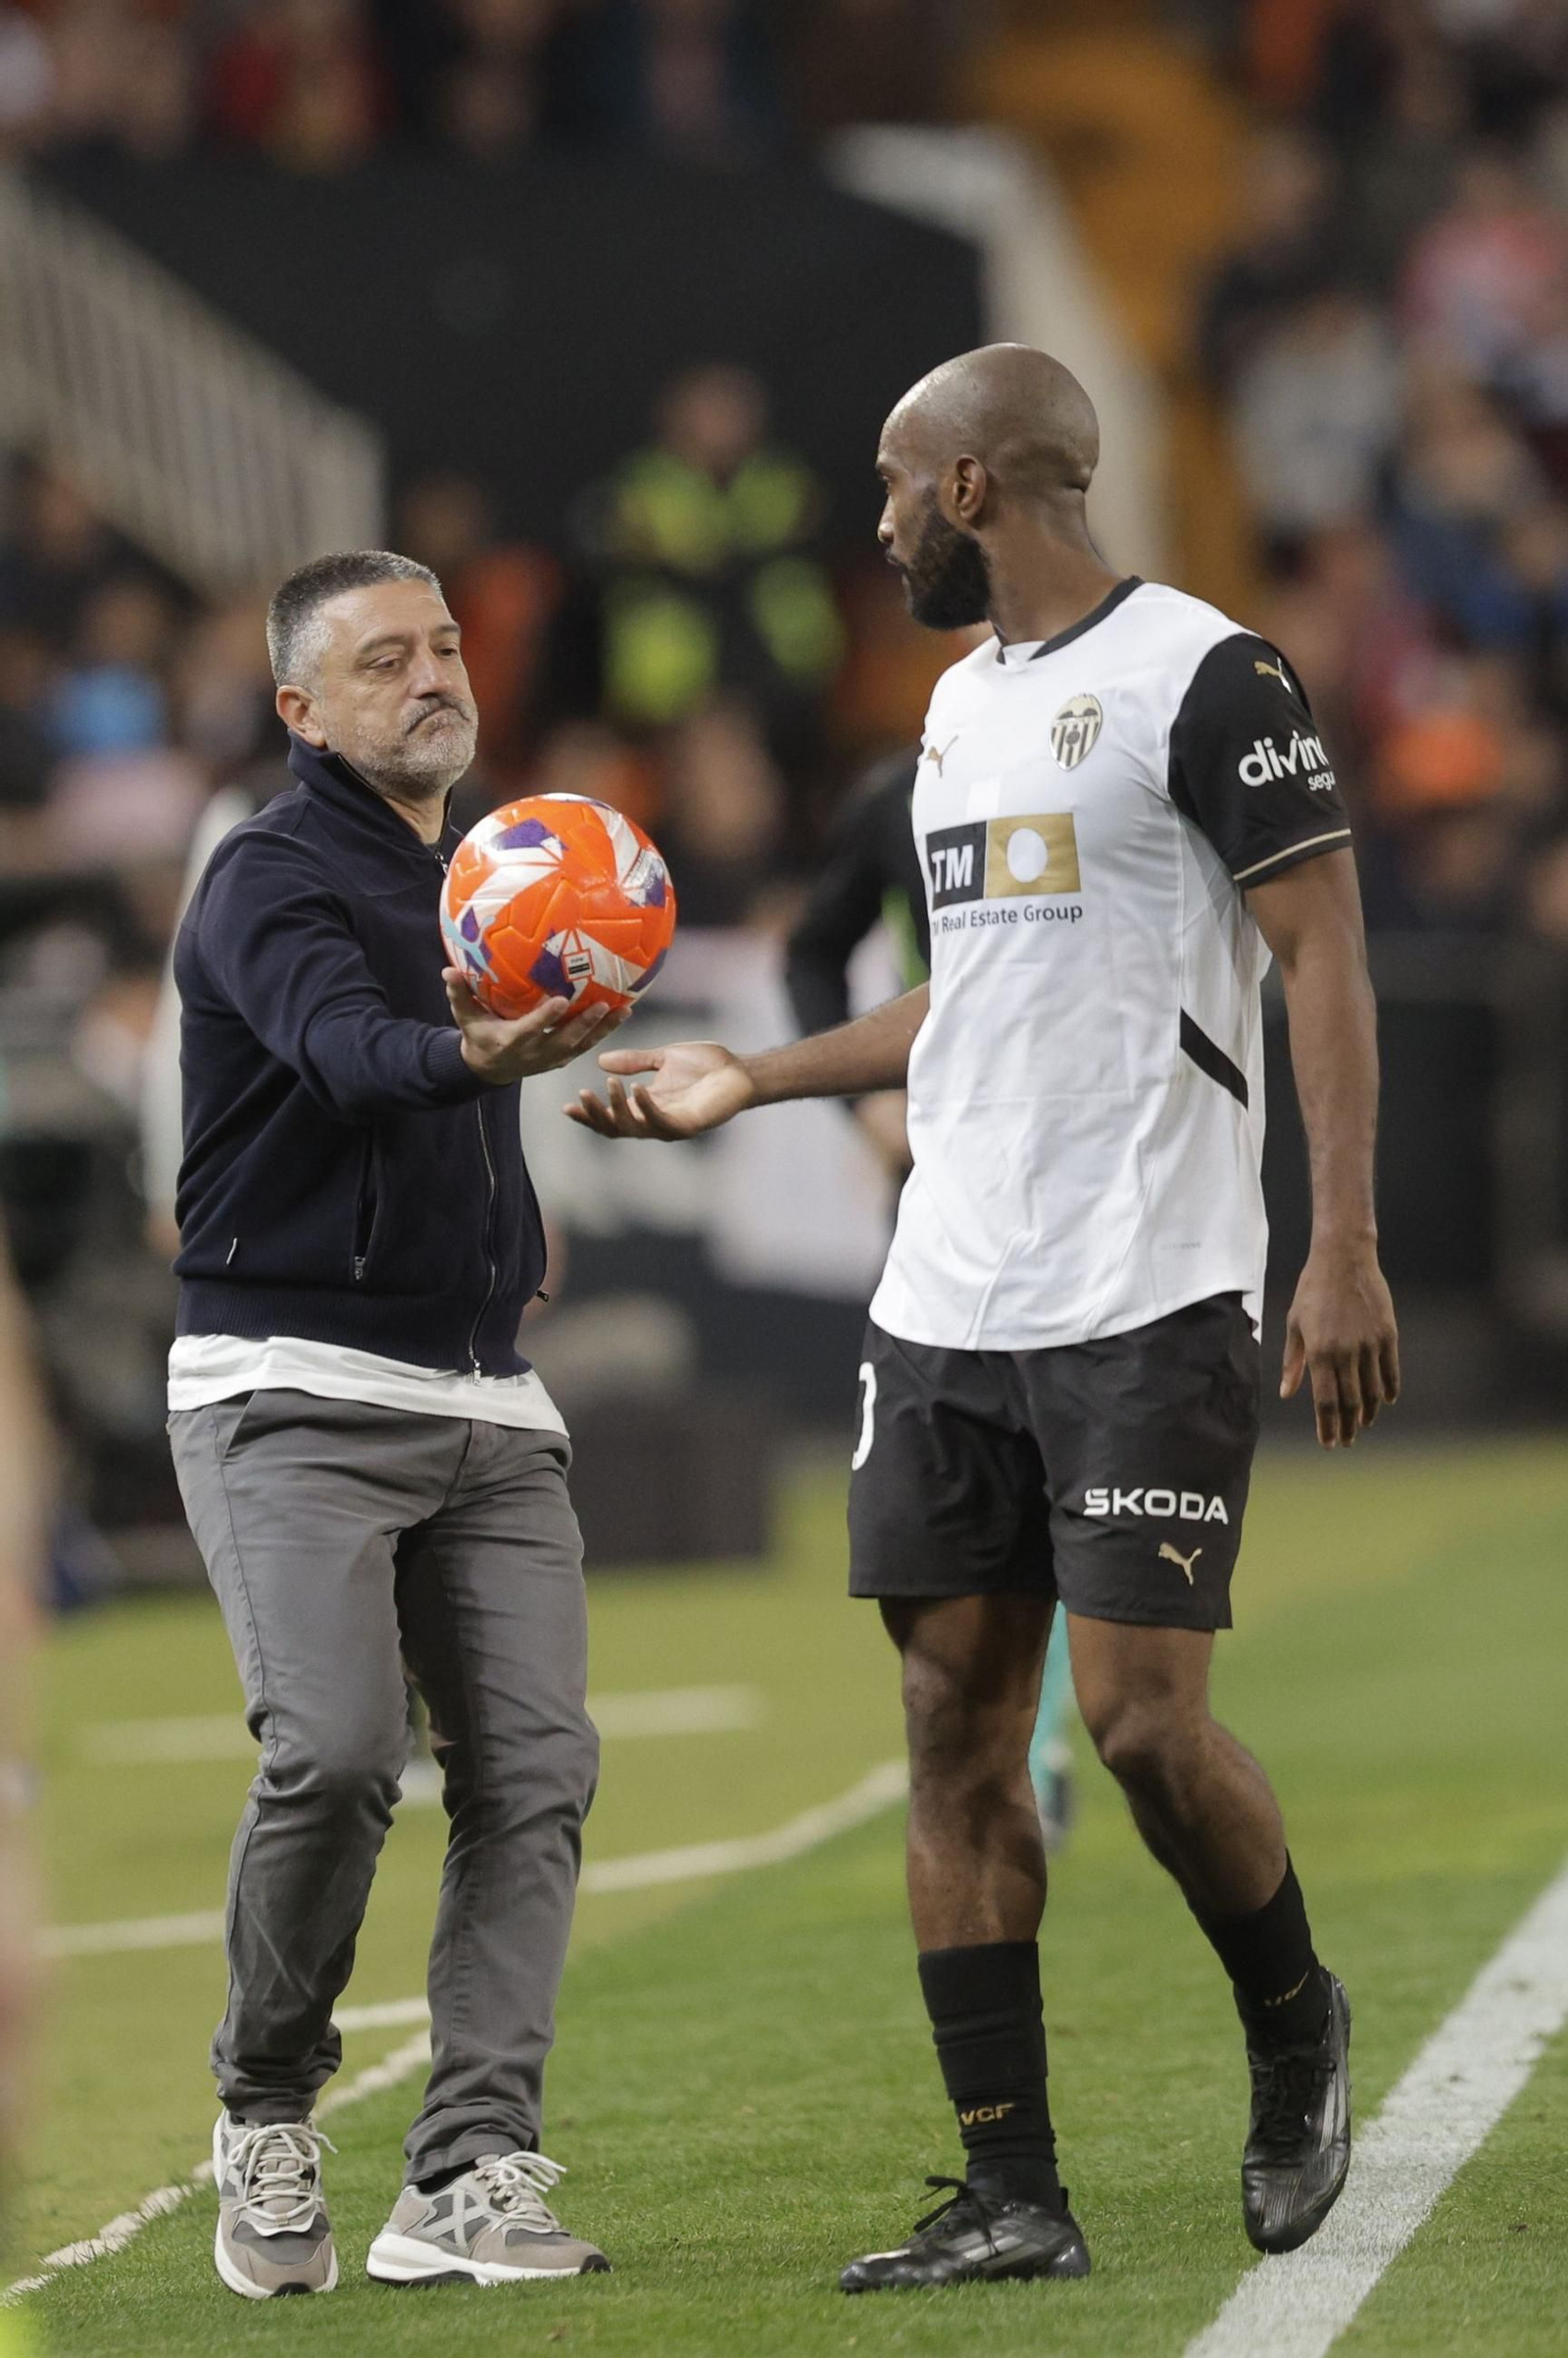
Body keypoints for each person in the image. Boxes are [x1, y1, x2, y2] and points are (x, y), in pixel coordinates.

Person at [568, 344, 1399, 2290]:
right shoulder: (953, 713)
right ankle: (1010, 2188)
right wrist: (753, 1077)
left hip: (1147, 1280)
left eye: (890, 484)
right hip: (949, 1287)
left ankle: (1295, 2026)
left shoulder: (1209, 675)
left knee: (1137, 1727)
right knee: (950, 1724)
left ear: (970, 486)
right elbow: (980, 993)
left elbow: (1323, 954)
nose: (873, 525)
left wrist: (1340, 1244)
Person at [166, 548, 621, 2298]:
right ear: (299, 707)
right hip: (289, 1386)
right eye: (383, 660)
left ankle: (468, 2168)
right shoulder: (264, 873)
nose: (433, 676)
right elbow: (349, 1051)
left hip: (488, 1396)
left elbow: (445, 1092)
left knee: (535, 1771)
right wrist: (480, 1062)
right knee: (340, 1753)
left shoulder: (487, 864)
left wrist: (515, 1198)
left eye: (443, 646)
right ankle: (264, 2105)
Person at [783, 746, 1077, 1847]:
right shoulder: (898, 795)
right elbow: (812, 949)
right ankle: (996, 1734)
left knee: (1063, 1458)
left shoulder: (1087, 769)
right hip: (943, 1173)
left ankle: (1038, 1744)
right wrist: (866, 1104)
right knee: (961, 1466)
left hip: (1083, 1161)